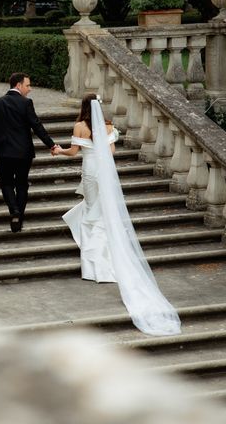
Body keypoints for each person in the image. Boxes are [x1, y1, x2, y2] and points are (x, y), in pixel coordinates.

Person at [53, 93, 181, 337]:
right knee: (102, 214)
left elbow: (73, 152)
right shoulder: (107, 126)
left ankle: (93, 267)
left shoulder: (80, 126)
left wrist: (59, 151)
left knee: (91, 212)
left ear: (83, 107)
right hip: (103, 171)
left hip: (90, 172)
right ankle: (106, 264)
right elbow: (110, 152)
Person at [0, 72, 59, 232]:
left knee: (6, 183)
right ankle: (18, 218)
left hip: (3, 152)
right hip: (23, 152)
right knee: (21, 184)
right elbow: (37, 126)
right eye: (28, 85)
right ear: (18, 85)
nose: (30, 89)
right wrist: (51, 145)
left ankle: (14, 211)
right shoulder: (26, 103)